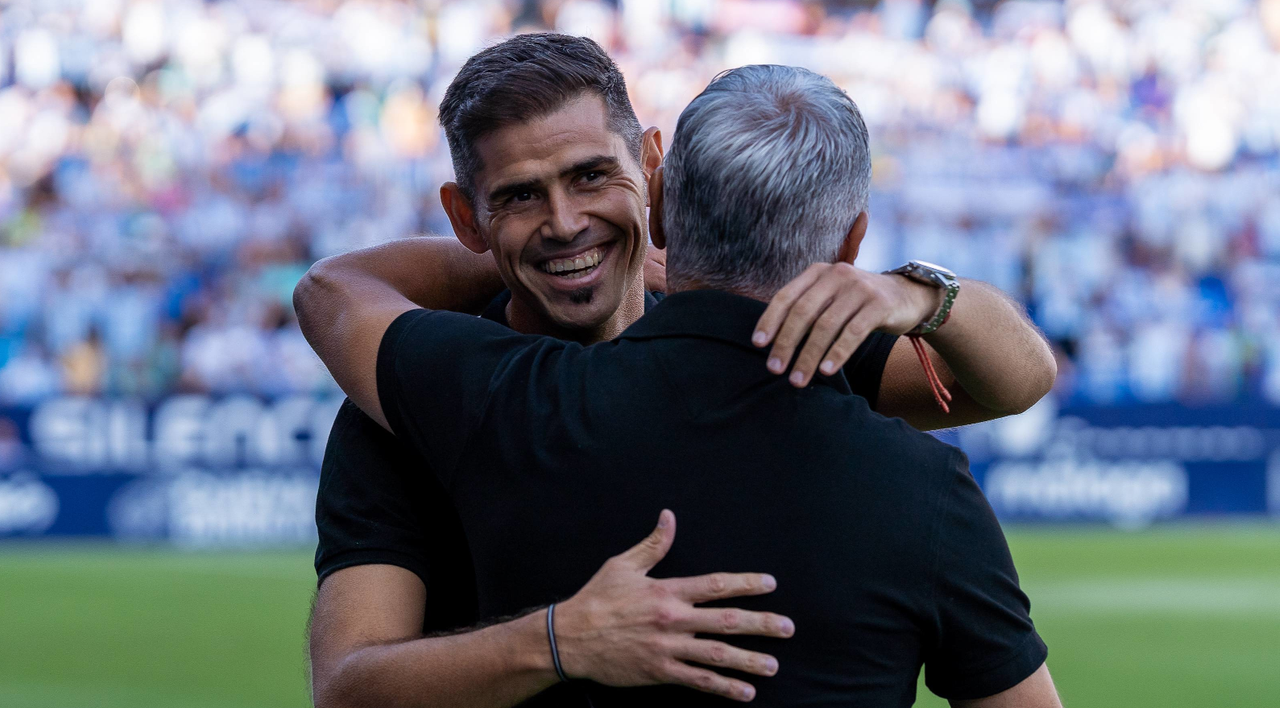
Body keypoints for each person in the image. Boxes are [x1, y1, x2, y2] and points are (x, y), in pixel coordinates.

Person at [297, 61, 1062, 707]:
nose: (566, 224)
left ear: (655, 183)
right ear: (469, 218)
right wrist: (555, 639)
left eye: (592, 178)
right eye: (520, 197)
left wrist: (922, 295)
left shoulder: (789, 342)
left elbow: (1012, 380)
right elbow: (347, 684)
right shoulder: (427, 396)